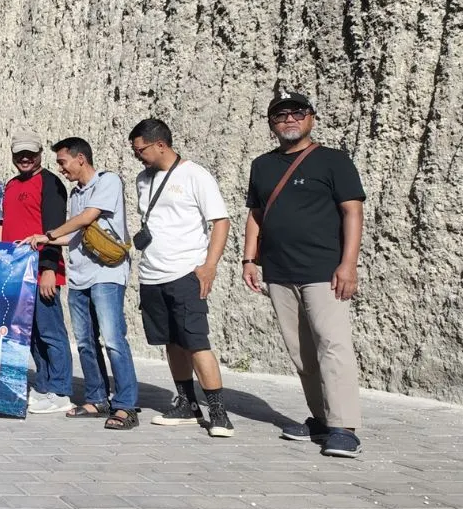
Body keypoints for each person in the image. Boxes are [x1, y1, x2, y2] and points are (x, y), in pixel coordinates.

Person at [242, 90, 367, 457]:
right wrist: (249, 260)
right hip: (279, 272)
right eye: (280, 116)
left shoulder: (333, 161)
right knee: (301, 353)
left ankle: (344, 426)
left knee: (333, 345)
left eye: (297, 113)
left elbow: (352, 212)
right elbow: (255, 214)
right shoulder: (262, 166)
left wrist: (348, 264)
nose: (289, 120)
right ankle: (321, 419)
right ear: (272, 125)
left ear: (311, 117)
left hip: (323, 270)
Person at [24, 138, 139, 430]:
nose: (61, 168)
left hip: (107, 274)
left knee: (113, 340)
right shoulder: (76, 193)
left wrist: (48, 234)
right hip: (80, 276)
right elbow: (74, 235)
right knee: (86, 342)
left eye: (63, 162)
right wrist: (40, 239)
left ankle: (125, 405)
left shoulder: (108, 181)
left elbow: (88, 218)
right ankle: (96, 398)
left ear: (80, 159)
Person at [129, 119, 234, 437]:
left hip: (185, 272)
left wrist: (209, 265)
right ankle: (187, 404)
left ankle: (218, 413)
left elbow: (221, 221)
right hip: (152, 274)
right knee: (171, 341)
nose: (138, 157)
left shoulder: (195, 175)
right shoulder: (142, 179)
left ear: (160, 144)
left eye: (140, 150)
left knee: (195, 341)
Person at [0, 132, 71, 414]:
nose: (25, 158)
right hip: (17, 273)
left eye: (30, 153)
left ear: (40, 153)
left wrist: (49, 269)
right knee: (30, 334)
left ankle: (61, 390)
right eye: (19, 154)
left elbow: (54, 229)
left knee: (51, 331)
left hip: (41, 270)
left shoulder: (50, 183)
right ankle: (44, 384)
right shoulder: (11, 185)